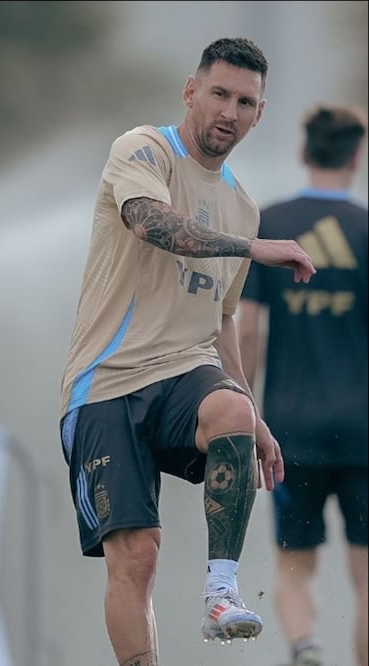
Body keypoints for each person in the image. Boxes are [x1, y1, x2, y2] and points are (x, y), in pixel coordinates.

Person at [57, 37, 318, 666]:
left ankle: (221, 592)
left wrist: (253, 417)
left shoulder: (243, 207)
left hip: (184, 372)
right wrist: (252, 249)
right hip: (106, 384)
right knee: (136, 557)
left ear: (260, 113)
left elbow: (221, 321)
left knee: (231, 411)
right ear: (191, 91)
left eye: (245, 102)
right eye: (219, 94)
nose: (229, 111)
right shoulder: (143, 148)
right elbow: (150, 223)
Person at [237, 103, 368, 666]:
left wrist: (243, 413)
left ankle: (305, 646)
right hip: (364, 431)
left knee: (294, 566)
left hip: (289, 431)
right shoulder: (366, 228)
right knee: (366, 577)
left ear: (303, 151)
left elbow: (246, 330)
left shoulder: (270, 224)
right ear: (356, 157)